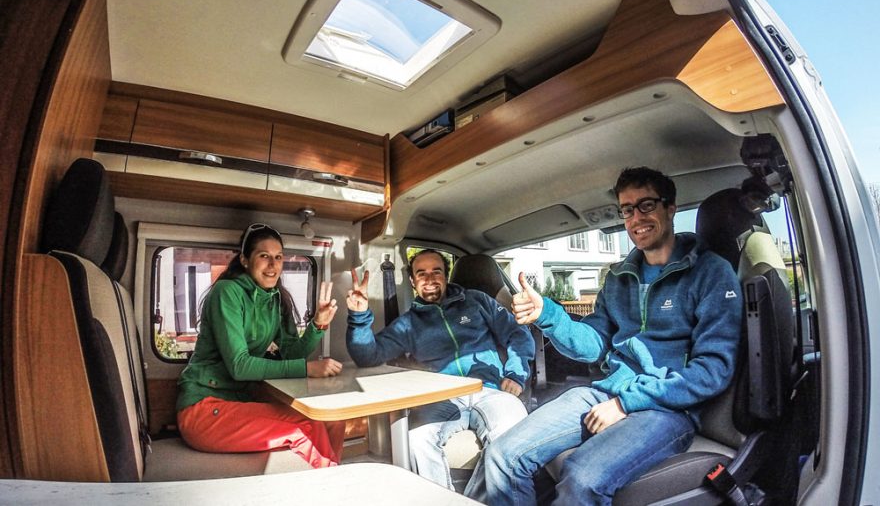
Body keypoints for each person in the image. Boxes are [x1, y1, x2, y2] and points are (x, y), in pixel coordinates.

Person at [484, 167, 743, 506]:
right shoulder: (619, 277)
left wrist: (626, 404)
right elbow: (593, 343)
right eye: (627, 209)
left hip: (666, 408)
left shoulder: (710, 273)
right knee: (503, 455)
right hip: (604, 392)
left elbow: (712, 370)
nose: (636, 218)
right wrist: (547, 314)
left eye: (646, 205)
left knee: (582, 478)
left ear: (670, 208)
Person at [346, 249, 535, 500]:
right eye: (421, 273)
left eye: (436, 271)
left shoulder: (478, 301)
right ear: (412, 281)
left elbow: (517, 334)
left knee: (512, 431)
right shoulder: (408, 324)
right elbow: (368, 356)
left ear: (446, 276)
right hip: (441, 397)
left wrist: (515, 373)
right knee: (416, 439)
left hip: (489, 389)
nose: (429, 279)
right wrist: (359, 316)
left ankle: (476, 501)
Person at [176, 222, 345, 468]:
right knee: (306, 425)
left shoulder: (275, 300)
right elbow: (239, 366)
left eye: (279, 257)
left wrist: (318, 325)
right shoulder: (227, 292)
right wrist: (307, 369)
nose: (273, 264)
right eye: (264, 256)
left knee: (332, 419)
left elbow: (291, 354)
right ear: (245, 260)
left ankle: (328, 478)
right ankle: (332, 485)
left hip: (238, 402)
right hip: (204, 407)